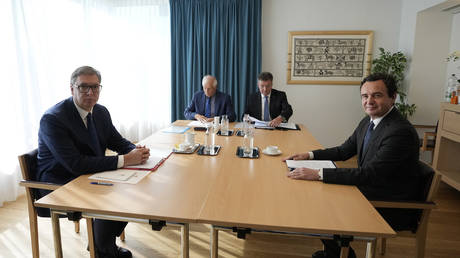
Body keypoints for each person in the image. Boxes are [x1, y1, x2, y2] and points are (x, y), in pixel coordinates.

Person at [283, 73, 421, 258]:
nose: (369, 101)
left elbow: (370, 174)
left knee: (321, 208)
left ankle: (343, 254)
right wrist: (309, 155)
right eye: (365, 96)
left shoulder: (399, 131)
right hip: (371, 189)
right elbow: (344, 150)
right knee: (318, 199)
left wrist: (318, 174)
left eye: (377, 95)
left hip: (389, 204)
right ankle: (337, 252)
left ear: (393, 96)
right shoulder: (369, 121)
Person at [38, 66, 150, 258]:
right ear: (71, 89)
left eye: (95, 87)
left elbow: (116, 140)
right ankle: (103, 248)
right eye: (83, 87)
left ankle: (101, 243)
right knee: (110, 193)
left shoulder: (100, 111)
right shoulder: (53, 119)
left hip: (88, 175)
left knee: (132, 188)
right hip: (59, 183)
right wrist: (124, 160)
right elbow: (75, 164)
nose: (90, 93)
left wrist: (134, 151)